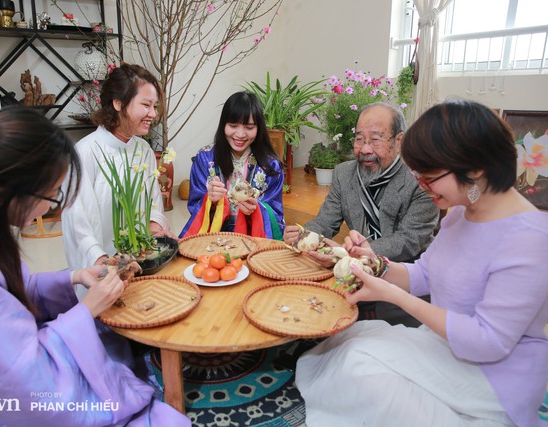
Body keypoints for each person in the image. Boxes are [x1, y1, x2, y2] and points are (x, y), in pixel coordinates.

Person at [0, 106, 190, 426]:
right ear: (11, 190)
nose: (51, 205)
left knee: (113, 343)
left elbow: (11, 296)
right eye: (52, 193)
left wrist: (75, 278)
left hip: (7, 373)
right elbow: (27, 382)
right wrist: (87, 311)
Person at [296, 100, 548, 427]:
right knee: (350, 343)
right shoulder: (461, 212)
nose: (422, 185)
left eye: (429, 177)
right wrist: (377, 265)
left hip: (491, 378)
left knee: (361, 368)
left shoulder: (531, 238)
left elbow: (488, 341)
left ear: (475, 170)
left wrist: (391, 293)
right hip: (446, 345)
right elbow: (426, 273)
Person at [284, 102, 439, 323]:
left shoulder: (420, 179)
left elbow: (409, 240)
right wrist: (305, 236)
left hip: (404, 280)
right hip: (352, 273)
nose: (365, 149)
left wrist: (359, 254)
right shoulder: (344, 174)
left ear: (399, 140)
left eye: (375, 139)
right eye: (359, 139)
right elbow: (325, 221)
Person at [62, 63, 176, 292]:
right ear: (118, 103)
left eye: (155, 106)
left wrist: (155, 228)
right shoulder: (85, 152)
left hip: (141, 263)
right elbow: (78, 221)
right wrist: (102, 260)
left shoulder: (143, 150)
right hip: (102, 271)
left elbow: (153, 203)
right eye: (146, 105)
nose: (153, 114)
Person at [180, 91, 285, 239]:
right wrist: (211, 201)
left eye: (249, 128)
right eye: (233, 125)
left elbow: (276, 213)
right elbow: (194, 205)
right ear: (223, 124)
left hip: (254, 238)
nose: (240, 134)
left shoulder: (271, 165)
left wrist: (257, 209)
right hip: (214, 237)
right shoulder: (204, 158)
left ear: (259, 128)